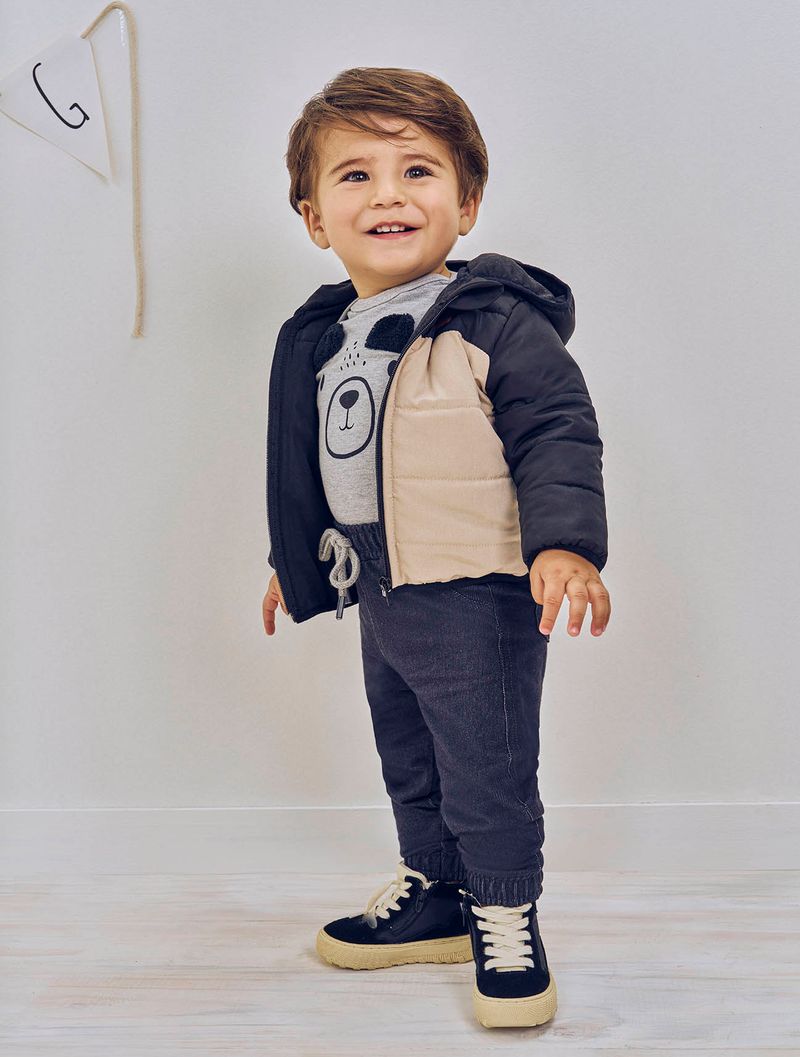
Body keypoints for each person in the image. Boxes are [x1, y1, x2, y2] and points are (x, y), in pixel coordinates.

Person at [261, 66, 611, 1030]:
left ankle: (506, 913)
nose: (388, 194)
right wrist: (299, 563)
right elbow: (324, 467)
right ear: (314, 217)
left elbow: (557, 432)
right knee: (408, 749)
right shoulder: (325, 335)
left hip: (478, 591)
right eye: (356, 175)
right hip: (383, 588)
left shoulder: (495, 320)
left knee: (486, 760)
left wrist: (566, 544)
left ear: (467, 203)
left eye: (417, 170)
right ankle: (440, 889)